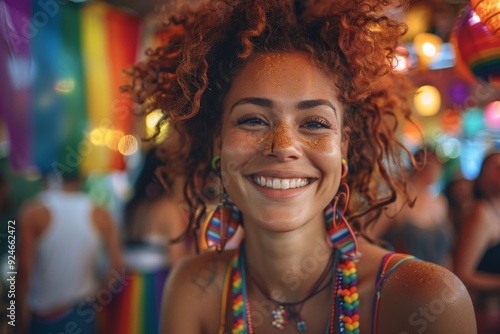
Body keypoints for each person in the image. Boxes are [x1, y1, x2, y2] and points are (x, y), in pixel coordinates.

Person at [127, 0, 476, 333]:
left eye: (314, 123)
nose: (283, 147)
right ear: (218, 142)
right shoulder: (191, 290)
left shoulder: (427, 302)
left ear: (344, 146)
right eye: (252, 120)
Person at [17, 174, 123, 334]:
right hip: (82, 312)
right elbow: (117, 266)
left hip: (43, 314)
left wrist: (16, 318)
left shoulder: (32, 212)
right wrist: (99, 297)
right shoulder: (101, 214)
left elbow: (23, 271)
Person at [370, 148, 454, 268]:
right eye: (431, 165)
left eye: (438, 165)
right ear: (417, 165)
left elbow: (446, 253)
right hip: (403, 278)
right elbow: (371, 239)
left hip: (436, 279)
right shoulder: (397, 199)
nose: (436, 170)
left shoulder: (440, 202)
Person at [455, 152, 500, 334]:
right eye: (497, 168)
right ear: (483, 177)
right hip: (485, 313)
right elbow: (462, 273)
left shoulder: (496, 209)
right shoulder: (481, 213)